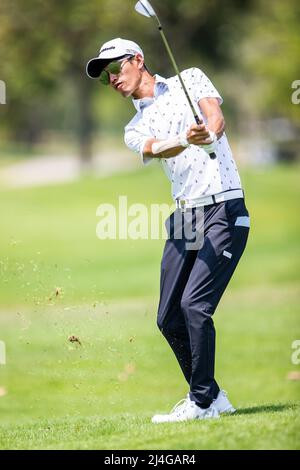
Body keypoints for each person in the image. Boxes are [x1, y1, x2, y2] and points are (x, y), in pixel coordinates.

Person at [86, 38, 250, 423]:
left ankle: (202, 402)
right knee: (167, 318)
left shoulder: (189, 78)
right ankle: (211, 397)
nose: (111, 78)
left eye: (115, 68)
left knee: (195, 306)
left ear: (137, 60)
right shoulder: (133, 126)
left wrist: (209, 132)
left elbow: (216, 118)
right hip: (185, 217)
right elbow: (159, 148)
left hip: (223, 206)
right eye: (104, 75)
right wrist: (184, 138)